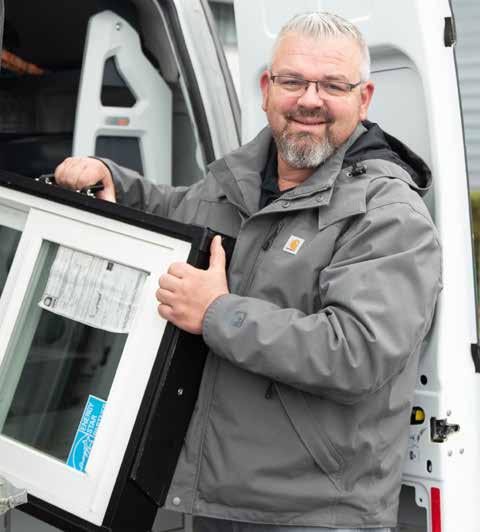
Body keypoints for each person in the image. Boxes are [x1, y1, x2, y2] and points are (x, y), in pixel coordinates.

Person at [54, 12, 441, 532]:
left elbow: (356, 353)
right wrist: (116, 182)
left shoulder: (388, 213)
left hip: (314, 513)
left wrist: (217, 313)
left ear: (363, 98)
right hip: (215, 498)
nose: (310, 100)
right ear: (266, 90)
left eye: (332, 85)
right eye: (293, 81)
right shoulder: (237, 180)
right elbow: (179, 213)